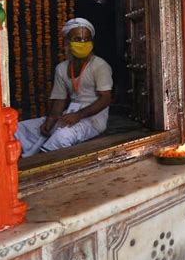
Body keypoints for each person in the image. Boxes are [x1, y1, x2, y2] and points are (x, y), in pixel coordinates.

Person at [16, 18, 113, 157]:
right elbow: (59, 99)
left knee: (61, 136)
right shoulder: (61, 68)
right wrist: (51, 120)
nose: (83, 43)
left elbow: (106, 99)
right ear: (67, 42)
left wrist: (78, 115)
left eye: (86, 39)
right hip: (69, 115)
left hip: (93, 120)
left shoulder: (99, 65)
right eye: (78, 39)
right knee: (21, 128)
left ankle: (45, 165)